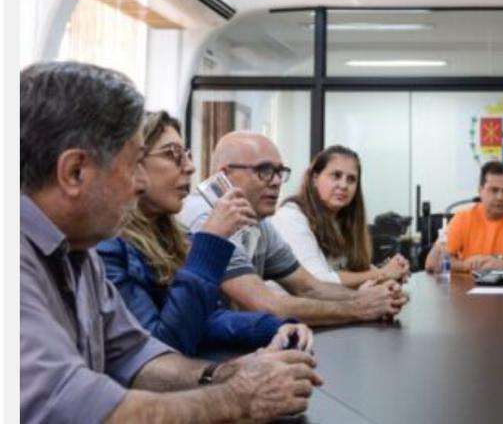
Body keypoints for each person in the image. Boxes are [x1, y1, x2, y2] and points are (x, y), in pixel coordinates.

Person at [20, 61, 321, 424]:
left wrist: (229, 374)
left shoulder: (79, 253)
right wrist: (238, 396)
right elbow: (82, 409)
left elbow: (139, 355)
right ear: (74, 172)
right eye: (132, 166)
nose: (140, 184)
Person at [98, 111, 314, 356]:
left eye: (187, 155)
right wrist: (210, 241)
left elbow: (207, 319)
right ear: (132, 163)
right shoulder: (107, 245)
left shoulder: (171, 233)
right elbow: (161, 349)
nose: (190, 168)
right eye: (172, 155)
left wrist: (276, 327)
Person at [179, 132, 408, 327]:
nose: (277, 181)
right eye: (265, 170)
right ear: (224, 175)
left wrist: (370, 297)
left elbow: (310, 287)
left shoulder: (259, 222)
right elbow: (265, 305)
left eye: (280, 172)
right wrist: (360, 305)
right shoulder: (206, 218)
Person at [271, 144, 411, 288]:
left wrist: (393, 271)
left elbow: (352, 272)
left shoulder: (341, 221)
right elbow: (318, 282)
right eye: (336, 176)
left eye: (351, 179)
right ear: (314, 179)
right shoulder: (291, 218)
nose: (343, 185)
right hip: (288, 310)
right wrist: (383, 274)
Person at [424, 161, 503, 272]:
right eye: (494, 190)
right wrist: (464, 266)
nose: (500, 197)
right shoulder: (463, 218)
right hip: (467, 291)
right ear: (480, 190)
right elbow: (431, 263)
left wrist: (502, 261)